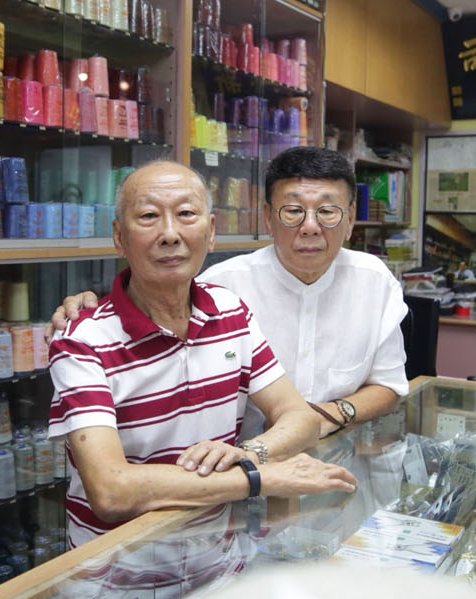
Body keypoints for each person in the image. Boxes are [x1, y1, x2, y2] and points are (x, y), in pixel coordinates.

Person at [48, 160, 357, 552]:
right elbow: (111, 491)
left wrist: (249, 453)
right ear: (118, 237)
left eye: (186, 214)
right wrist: (260, 477)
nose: (170, 234)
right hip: (122, 583)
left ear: (210, 232)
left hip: (221, 564)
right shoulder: (81, 339)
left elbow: (299, 417)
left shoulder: (231, 313)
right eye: (147, 216)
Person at [51, 147, 409, 442]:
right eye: (293, 211)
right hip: (239, 479)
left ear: (349, 222)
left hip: (339, 455)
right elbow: (156, 292)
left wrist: (330, 415)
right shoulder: (224, 289)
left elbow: (390, 385)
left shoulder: (374, 281)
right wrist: (91, 308)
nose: (310, 227)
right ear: (267, 217)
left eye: (328, 212)